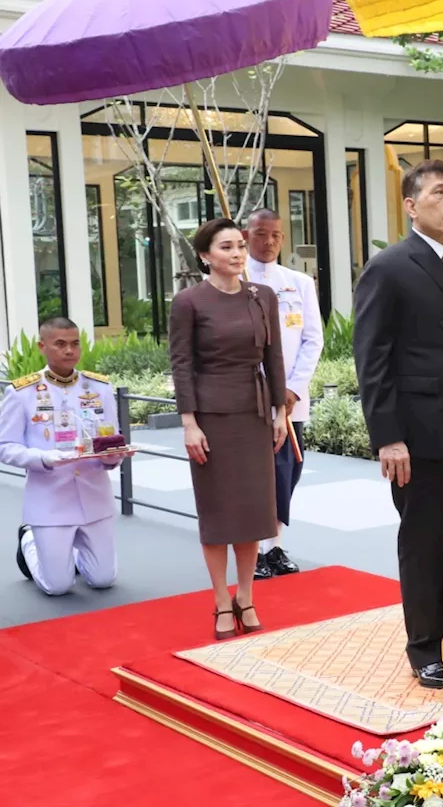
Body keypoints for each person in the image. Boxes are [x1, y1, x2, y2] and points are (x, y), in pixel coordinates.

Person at [353, 159, 443, 689]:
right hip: (419, 433)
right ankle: (425, 646)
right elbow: (372, 358)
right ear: (412, 206)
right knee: (425, 540)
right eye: (439, 192)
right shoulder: (390, 267)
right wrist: (388, 436)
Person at [169, 218, 288, 640]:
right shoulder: (189, 302)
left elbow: (273, 359)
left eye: (240, 246)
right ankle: (221, 599)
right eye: (226, 247)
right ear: (205, 256)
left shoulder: (263, 297)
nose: (237, 254)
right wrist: (189, 424)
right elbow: (182, 365)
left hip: (254, 414)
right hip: (211, 418)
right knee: (219, 512)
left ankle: (247, 594)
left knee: (254, 511)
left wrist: (280, 412)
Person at [1, 318, 128, 595]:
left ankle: (70, 553)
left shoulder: (99, 388)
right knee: (57, 586)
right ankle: (30, 541)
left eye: (74, 343)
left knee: (103, 579)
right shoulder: (22, 392)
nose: (69, 350)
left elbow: (111, 437)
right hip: (50, 501)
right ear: (42, 346)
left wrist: (112, 457)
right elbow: (5, 446)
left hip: (94, 497)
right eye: (60, 344)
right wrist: (43, 459)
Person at [244, 208, 322, 580]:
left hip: (292, 400)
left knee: (288, 471)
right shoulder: (235, 279)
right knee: (255, 474)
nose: (269, 241)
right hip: (249, 399)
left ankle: (274, 546)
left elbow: (312, 339)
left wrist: (293, 388)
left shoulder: (299, 283)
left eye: (275, 235)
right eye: (261, 234)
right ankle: (255, 549)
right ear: (246, 235)